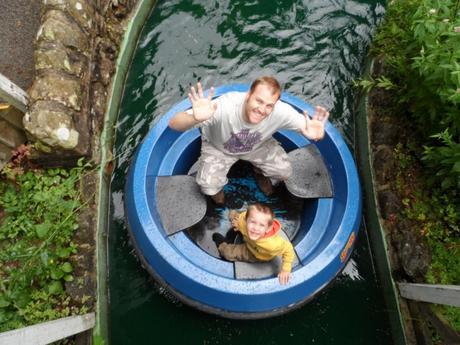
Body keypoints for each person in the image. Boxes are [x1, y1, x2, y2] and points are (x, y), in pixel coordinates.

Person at [168, 76, 329, 204]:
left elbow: (306, 126)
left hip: (256, 146)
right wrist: (194, 118)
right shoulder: (224, 107)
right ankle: (219, 197)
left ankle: (258, 172)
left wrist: (315, 134)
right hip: (218, 148)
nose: (262, 109)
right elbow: (174, 124)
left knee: (284, 171)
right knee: (208, 187)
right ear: (248, 96)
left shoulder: (280, 112)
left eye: (269, 105)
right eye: (259, 101)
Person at [212, 203, 294, 285]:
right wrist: (238, 223)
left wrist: (286, 269)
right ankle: (231, 208)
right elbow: (242, 217)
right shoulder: (243, 219)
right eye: (252, 222)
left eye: (261, 225)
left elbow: (288, 249)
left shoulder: (271, 244)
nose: (255, 228)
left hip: (255, 252)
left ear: (268, 228)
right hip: (248, 237)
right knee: (234, 216)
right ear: (246, 219)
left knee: (227, 253)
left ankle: (221, 243)